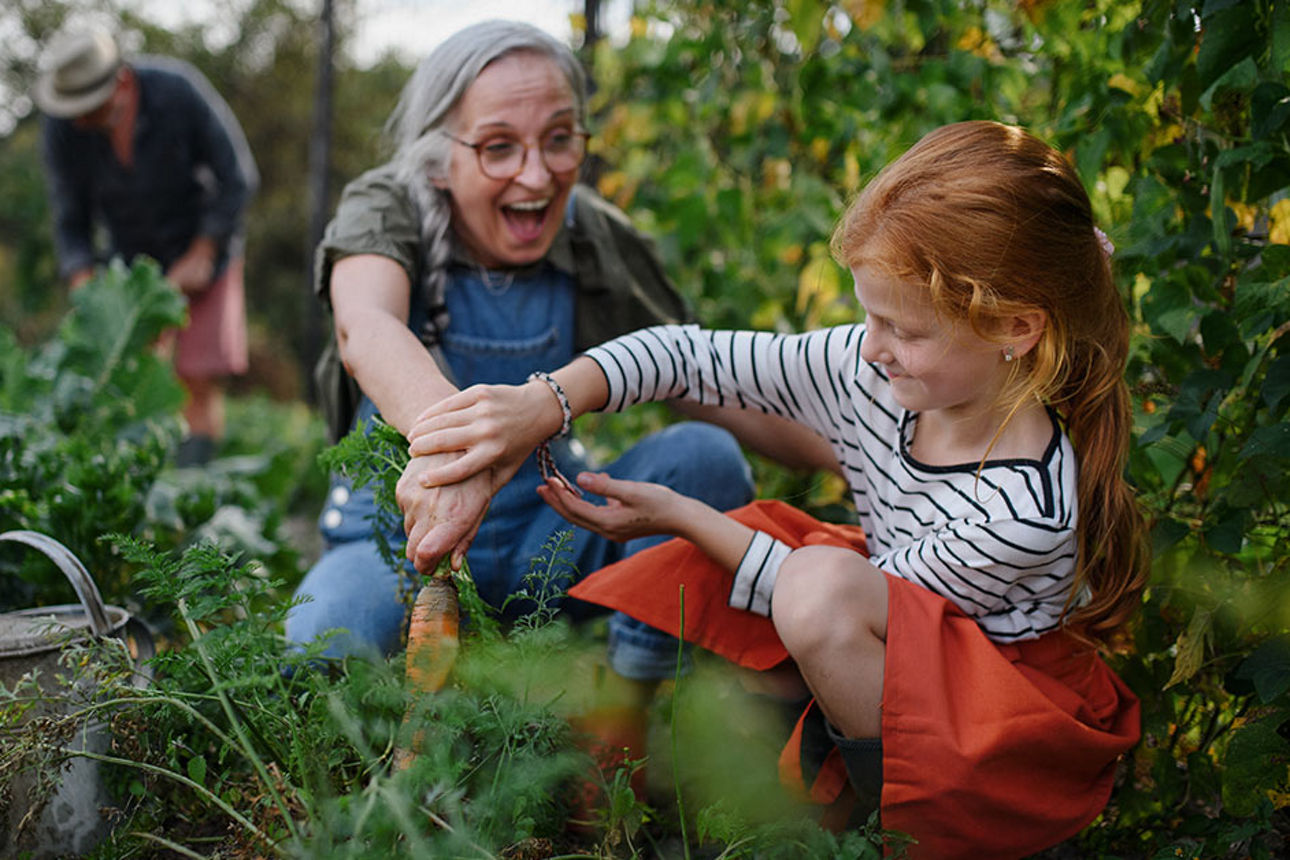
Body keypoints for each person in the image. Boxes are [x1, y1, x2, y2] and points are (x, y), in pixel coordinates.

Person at [404, 121, 1149, 857]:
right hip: (890, 633)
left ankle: (881, 834)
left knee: (805, 580)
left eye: (904, 329)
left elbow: (818, 598)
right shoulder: (873, 368)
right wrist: (547, 404)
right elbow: (685, 355)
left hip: (987, 734)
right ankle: (768, 783)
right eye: (868, 313)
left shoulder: (1024, 511)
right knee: (780, 573)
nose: (872, 345)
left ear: (1015, 327)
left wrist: (679, 514)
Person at [287, 18, 833, 689]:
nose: (536, 174)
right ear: (439, 155)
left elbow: (701, 381)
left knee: (702, 457)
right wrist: (460, 454)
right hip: (402, 547)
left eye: (559, 139)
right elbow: (366, 327)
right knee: (321, 652)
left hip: (546, 542)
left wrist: (865, 453)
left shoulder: (592, 239)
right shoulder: (389, 207)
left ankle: (627, 713)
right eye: (498, 148)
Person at [33, 25, 258, 467]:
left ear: (120, 83)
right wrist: (84, 282)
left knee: (195, 375)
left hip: (203, 248)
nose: (79, 120)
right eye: (72, 109)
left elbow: (236, 177)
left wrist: (205, 250)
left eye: (89, 109)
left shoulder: (177, 91)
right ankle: (146, 482)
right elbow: (69, 215)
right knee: (130, 377)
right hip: (133, 261)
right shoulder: (64, 127)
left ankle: (195, 485)